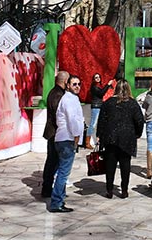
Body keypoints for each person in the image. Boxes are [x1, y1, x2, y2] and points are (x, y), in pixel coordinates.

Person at [97, 79, 145, 198]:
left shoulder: (108, 103)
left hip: (110, 138)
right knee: (125, 165)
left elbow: (101, 120)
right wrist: (138, 133)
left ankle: (109, 189)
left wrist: (99, 135)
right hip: (127, 137)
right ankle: (124, 190)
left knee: (110, 164)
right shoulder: (133, 104)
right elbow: (139, 121)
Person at [49, 74, 84, 213]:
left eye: (79, 84)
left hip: (64, 138)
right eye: (74, 84)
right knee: (63, 173)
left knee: (62, 172)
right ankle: (56, 202)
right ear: (68, 85)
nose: (77, 86)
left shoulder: (71, 98)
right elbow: (71, 119)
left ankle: (59, 199)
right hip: (66, 139)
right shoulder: (68, 100)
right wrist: (76, 136)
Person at [41, 70, 68, 199]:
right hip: (55, 133)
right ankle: (47, 189)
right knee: (53, 162)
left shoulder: (57, 92)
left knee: (53, 162)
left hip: (55, 132)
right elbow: (59, 115)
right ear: (65, 81)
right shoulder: (57, 94)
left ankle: (49, 188)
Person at [86, 73, 105, 149]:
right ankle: (87, 142)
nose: (98, 78)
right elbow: (101, 94)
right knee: (93, 124)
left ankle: (100, 141)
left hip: (100, 106)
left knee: (100, 124)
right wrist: (108, 85)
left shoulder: (99, 86)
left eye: (99, 77)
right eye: (96, 77)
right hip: (96, 106)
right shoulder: (94, 87)